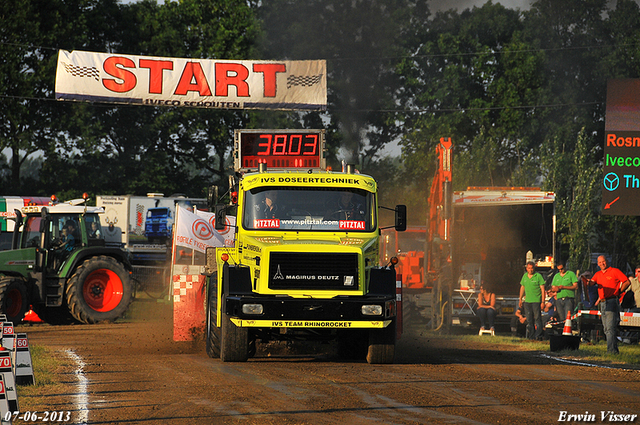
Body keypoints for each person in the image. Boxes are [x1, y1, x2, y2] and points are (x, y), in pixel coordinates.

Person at [588, 255, 631, 354]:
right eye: (600, 262)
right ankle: (613, 349)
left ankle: (611, 351)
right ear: (597, 264)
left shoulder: (614, 271)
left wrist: (618, 291)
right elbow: (591, 283)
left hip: (611, 301)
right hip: (602, 302)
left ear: (607, 261)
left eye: (603, 261)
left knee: (610, 327)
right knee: (606, 328)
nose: (602, 264)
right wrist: (586, 281)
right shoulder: (598, 274)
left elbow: (627, 282)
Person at [519, 261, 546, 340]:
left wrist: (543, 301)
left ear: (534, 268)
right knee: (529, 319)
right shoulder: (525, 276)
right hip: (527, 301)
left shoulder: (538, 276)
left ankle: (538, 335)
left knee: (537, 318)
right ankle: (531, 336)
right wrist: (520, 299)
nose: (530, 270)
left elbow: (542, 289)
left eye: (532, 268)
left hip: (536, 301)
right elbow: (522, 287)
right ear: (526, 268)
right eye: (529, 268)